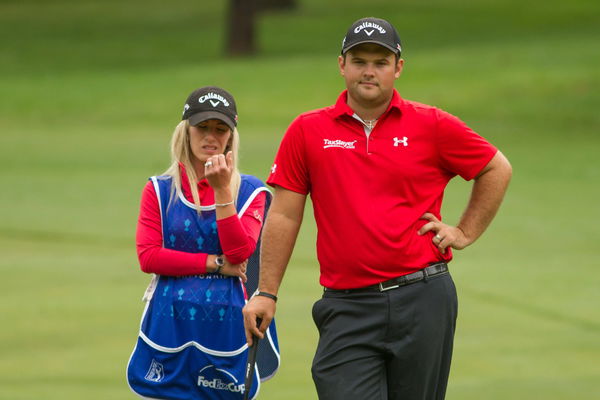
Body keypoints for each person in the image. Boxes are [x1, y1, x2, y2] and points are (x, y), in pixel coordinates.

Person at [243, 17, 512, 400]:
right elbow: (285, 215)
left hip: (424, 298)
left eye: (381, 62)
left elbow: (495, 167)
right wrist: (265, 291)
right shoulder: (307, 131)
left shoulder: (431, 124)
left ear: (397, 68)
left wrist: (464, 231)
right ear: (342, 65)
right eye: (359, 60)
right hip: (346, 306)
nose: (369, 71)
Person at [127, 86, 279, 400]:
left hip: (227, 326)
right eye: (202, 127)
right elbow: (150, 257)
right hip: (169, 323)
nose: (210, 136)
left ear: (230, 137)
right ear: (186, 131)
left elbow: (240, 252)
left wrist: (223, 192)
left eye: (220, 129)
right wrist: (214, 263)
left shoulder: (251, 190)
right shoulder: (159, 189)